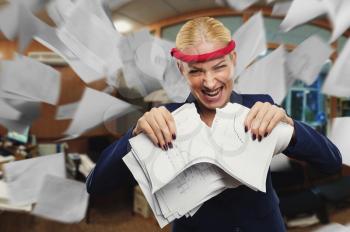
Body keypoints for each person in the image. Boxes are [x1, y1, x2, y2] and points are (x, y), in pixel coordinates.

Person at [86, 17, 342, 231]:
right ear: (181, 68)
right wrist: (135, 132)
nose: (209, 83)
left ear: (233, 60)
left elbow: (330, 162)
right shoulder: (166, 119)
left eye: (219, 67)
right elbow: (96, 185)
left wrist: (291, 125)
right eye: (196, 71)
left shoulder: (260, 107)